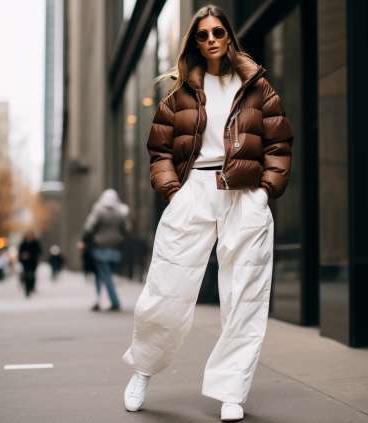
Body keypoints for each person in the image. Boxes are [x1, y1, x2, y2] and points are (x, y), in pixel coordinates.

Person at [122, 5, 294, 422]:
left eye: (218, 31)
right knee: (167, 284)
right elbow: (160, 150)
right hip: (194, 190)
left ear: (229, 35)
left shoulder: (257, 86)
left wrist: (266, 191)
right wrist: (174, 192)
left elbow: (278, 142)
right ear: (195, 42)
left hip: (245, 192)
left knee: (245, 295)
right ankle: (144, 368)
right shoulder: (178, 93)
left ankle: (231, 389)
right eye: (203, 34)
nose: (212, 39)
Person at [79, 189, 130, 312]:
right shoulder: (120, 212)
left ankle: (114, 302)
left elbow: (89, 227)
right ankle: (99, 299)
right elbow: (126, 229)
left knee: (104, 275)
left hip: (100, 247)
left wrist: (84, 240)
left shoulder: (99, 210)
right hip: (115, 247)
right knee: (102, 274)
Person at [18, 230, 43, 297]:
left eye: (30, 235)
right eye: (28, 235)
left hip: (33, 262)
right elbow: (20, 253)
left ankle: (32, 286)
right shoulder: (23, 244)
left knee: (32, 275)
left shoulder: (36, 243)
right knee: (26, 275)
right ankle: (27, 289)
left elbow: (39, 251)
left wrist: (33, 256)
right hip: (25, 263)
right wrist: (22, 258)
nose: (29, 237)